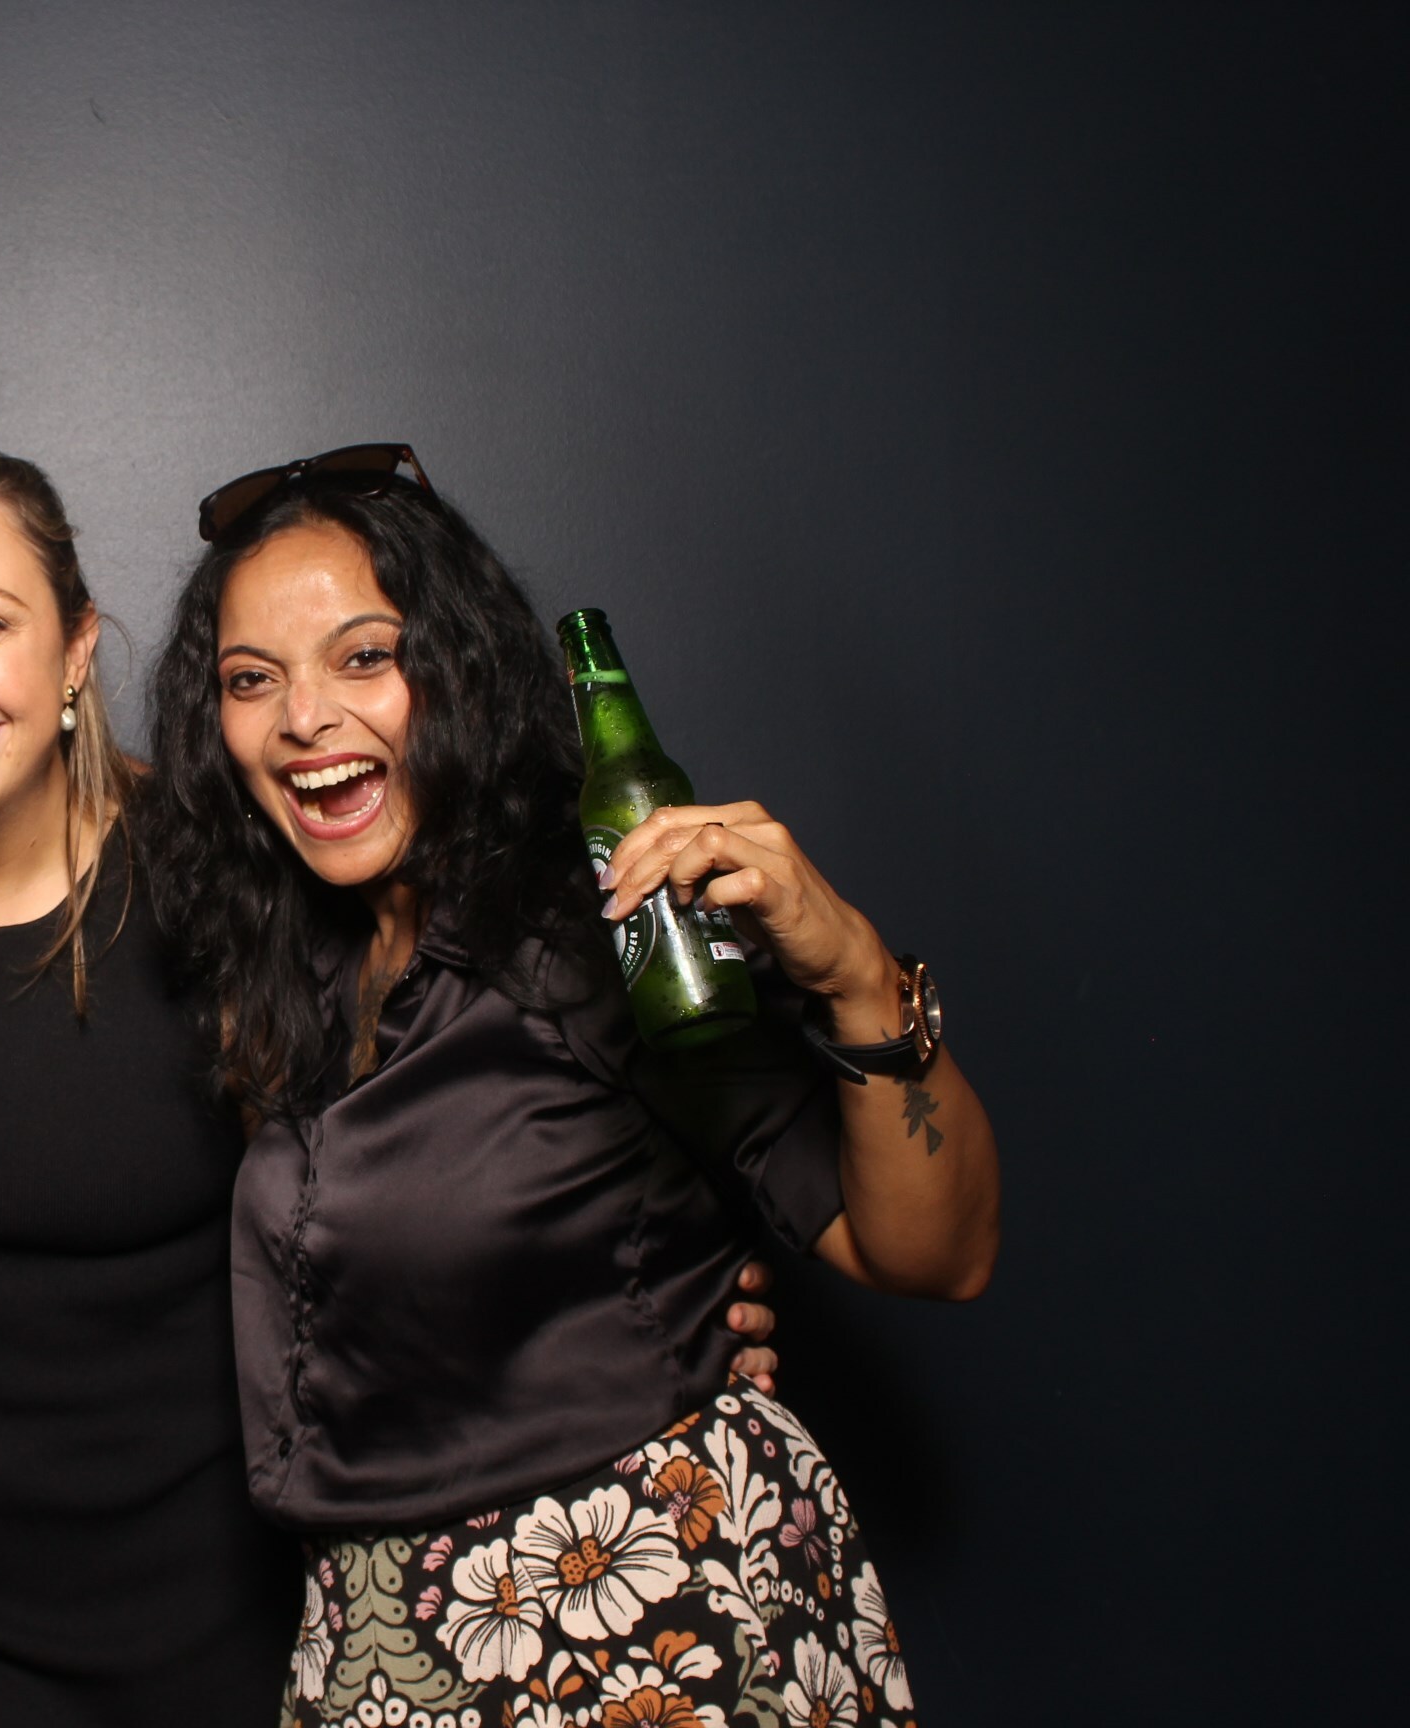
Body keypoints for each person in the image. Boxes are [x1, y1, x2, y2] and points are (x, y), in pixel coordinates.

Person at [0, 443, 788, 1724]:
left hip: (233, 1637)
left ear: (76, 650)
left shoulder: (224, 878)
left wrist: (655, 1297)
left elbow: (432, 1147)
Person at [142, 449, 1000, 1728]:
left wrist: (861, 976)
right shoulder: (291, 973)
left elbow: (935, 1252)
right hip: (383, 1647)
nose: (302, 718)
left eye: (365, 657)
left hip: (642, 1623)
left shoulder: (590, 927)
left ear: (463, 669)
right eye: (250, 680)